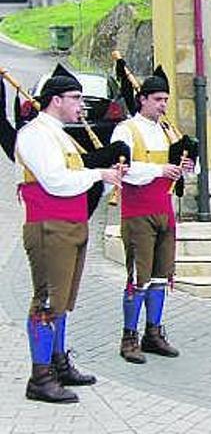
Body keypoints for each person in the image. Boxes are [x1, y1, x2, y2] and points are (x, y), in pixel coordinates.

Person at [16, 66, 123, 403]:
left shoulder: (62, 135)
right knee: (47, 301)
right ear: (56, 100)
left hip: (71, 225)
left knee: (62, 301)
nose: (81, 105)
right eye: (75, 98)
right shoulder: (35, 134)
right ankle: (40, 376)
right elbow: (55, 181)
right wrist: (97, 174)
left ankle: (58, 362)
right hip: (50, 227)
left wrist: (105, 179)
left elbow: (79, 181)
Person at [112, 66, 195, 364]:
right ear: (142, 99)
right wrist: (160, 170)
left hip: (164, 211)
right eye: (158, 99)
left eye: (165, 100)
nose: (163, 105)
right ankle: (128, 336)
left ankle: (153, 332)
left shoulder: (166, 131)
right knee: (139, 278)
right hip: (138, 213)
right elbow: (124, 169)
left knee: (161, 277)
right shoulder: (126, 130)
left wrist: (186, 167)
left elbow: (184, 166)